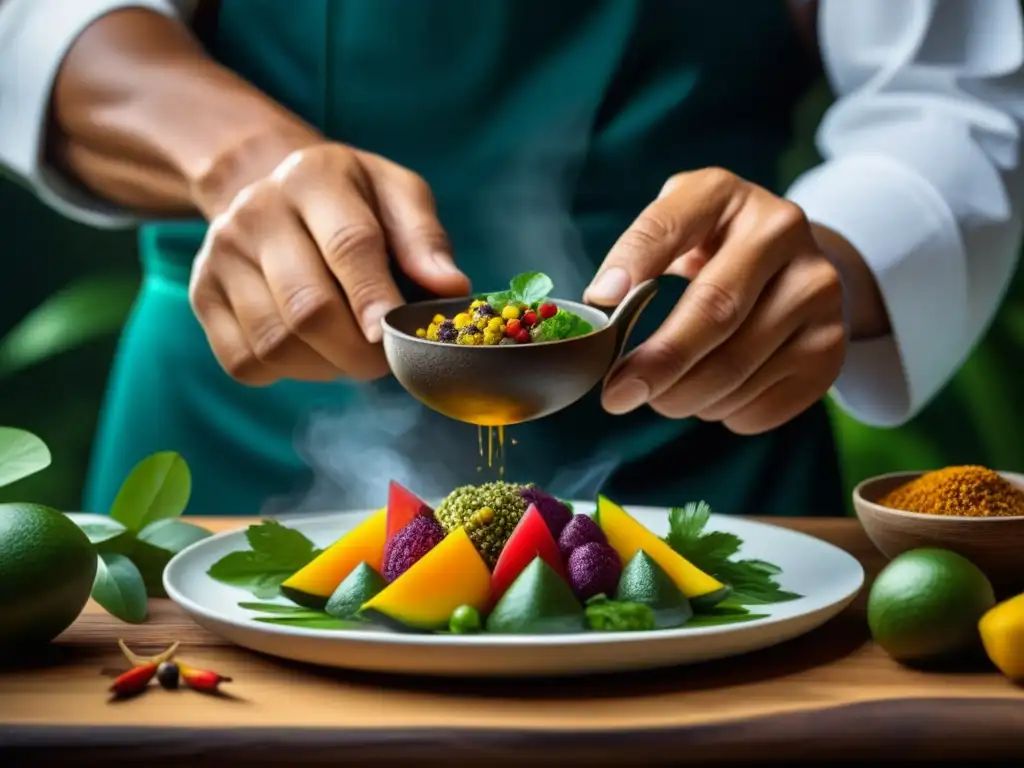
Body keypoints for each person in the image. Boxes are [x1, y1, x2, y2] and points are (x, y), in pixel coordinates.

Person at [0, 0, 1021, 518]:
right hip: (236, 417)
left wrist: (826, 262)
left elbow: (952, 93)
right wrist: (245, 161)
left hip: (703, 422)